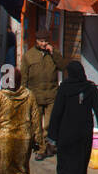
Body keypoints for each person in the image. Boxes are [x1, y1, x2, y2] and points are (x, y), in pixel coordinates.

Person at [20, 28, 68, 160]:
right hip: (35, 95)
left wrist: (54, 54)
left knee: (48, 123)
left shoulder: (53, 53)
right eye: (41, 41)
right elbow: (23, 77)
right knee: (36, 124)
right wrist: (23, 95)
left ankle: (46, 146)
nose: (44, 44)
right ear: (36, 41)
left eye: (46, 41)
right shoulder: (29, 56)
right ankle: (40, 147)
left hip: (51, 94)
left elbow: (63, 67)